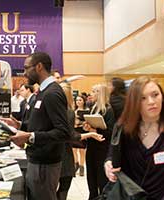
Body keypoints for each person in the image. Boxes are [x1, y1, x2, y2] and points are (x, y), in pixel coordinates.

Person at [105, 76, 164, 199]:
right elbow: (111, 156)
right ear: (133, 102)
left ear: (162, 98)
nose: (151, 101)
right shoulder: (124, 131)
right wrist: (108, 164)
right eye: (143, 98)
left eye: (155, 95)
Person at [9, 52, 71, 200]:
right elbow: (43, 124)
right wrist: (19, 124)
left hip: (45, 164)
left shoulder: (52, 93)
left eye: (26, 68)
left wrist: (30, 137)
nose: (24, 73)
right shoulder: (43, 92)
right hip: (38, 161)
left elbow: (63, 132)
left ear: (39, 67)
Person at [83, 84, 115, 199]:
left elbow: (110, 133)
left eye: (94, 91)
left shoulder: (109, 110)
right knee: (91, 180)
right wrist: (87, 128)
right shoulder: (93, 108)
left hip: (102, 150)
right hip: (91, 148)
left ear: (101, 93)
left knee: (102, 181)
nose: (91, 94)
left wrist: (94, 129)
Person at [73, 94, 89, 176]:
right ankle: (76, 164)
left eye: (80, 100)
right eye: (77, 100)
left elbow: (88, 122)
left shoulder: (87, 110)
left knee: (82, 150)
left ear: (83, 101)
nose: (78, 102)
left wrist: (80, 123)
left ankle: (82, 166)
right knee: (74, 149)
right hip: (74, 131)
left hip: (83, 131)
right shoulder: (73, 110)